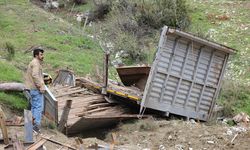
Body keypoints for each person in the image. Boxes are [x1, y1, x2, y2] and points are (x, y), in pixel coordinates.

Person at [25, 48, 45, 133]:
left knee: (34, 107)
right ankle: (35, 126)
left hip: (31, 88)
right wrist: (40, 86)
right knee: (38, 107)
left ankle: (30, 126)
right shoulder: (36, 63)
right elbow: (35, 76)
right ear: (36, 55)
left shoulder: (33, 62)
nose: (42, 56)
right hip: (35, 89)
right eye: (41, 54)